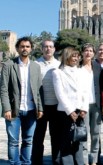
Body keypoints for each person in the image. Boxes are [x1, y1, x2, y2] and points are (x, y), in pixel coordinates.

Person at [0, 36, 43, 165]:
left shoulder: (36, 66)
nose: (25, 49)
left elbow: (38, 90)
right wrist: (6, 108)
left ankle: (26, 163)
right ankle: (14, 163)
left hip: (31, 110)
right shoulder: (9, 65)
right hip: (14, 110)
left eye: (27, 46)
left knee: (28, 140)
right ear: (17, 48)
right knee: (13, 142)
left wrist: (40, 108)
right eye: (22, 46)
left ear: (31, 49)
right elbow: (3, 89)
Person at [52, 47, 89, 164]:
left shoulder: (81, 71)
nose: (76, 58)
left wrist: (84, 108)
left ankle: (79, 162)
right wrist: (70, 111)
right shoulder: (58, 72)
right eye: (73, 56)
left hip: (80, 111)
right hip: (65, 111)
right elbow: (60, 93)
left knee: (79, 139)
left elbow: (85, 91)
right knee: (66, 141)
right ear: (66, 56)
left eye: (77, 56)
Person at [32, 39, 61, 165]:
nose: (48, 49)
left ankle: (56, 160)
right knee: (38, 137)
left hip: (56, 106)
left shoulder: (60, 65)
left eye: (50, 47)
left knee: (56, 137)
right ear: (41, 49)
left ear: (54, 49)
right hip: (40, 107)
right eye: (45, 47)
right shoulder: (35, 64)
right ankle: (37, 161)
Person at [80, 43, 101, 165]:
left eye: (90, 51)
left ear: (94, 53)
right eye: (86, 50)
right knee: (84, 133)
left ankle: (94, 160)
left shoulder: (97, 67)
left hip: (96, 104)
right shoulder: (78, 68)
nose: (88, 53)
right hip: (84, 106)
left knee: (96, 133)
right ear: (82, 53)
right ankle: (84, 160)